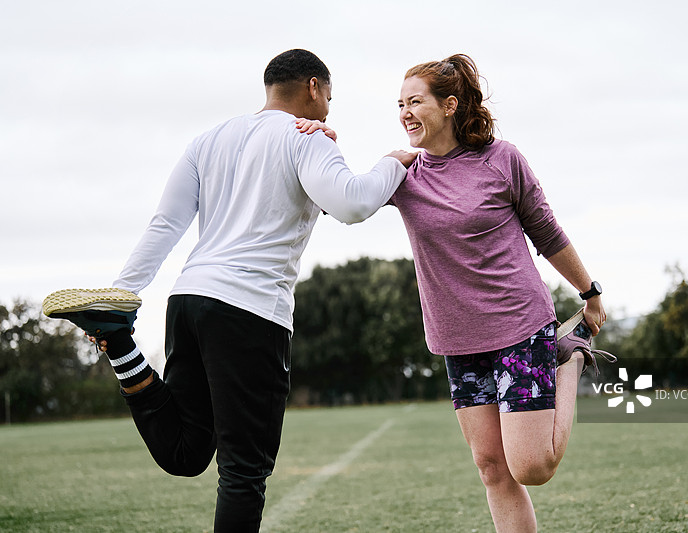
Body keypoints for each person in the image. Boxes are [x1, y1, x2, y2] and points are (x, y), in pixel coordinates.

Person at [42, 48, 415, 533]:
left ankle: (119, 343)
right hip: (251, 312)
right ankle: (116, 334)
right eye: (329, 96)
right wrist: (393, 160)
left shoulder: (208, 140)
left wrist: (122, 295)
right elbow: (354, 203)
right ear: (313, 88)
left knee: (186, 452)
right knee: (243, 473)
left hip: (189, 301)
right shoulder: (308, 138)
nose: (329, 109)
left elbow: (166, 224)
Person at [391, 54, 609, 532]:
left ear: (449, 105)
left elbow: (547, 233)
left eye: (415, 101)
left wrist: (589, 292)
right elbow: (339, 197)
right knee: (492, 468)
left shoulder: (501, 159)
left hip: (519, 326)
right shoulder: (402, 175)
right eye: (399, 104)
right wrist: (316, 141)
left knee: (532, 467)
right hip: (458, 341)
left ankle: (568, 359)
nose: (404, 112)